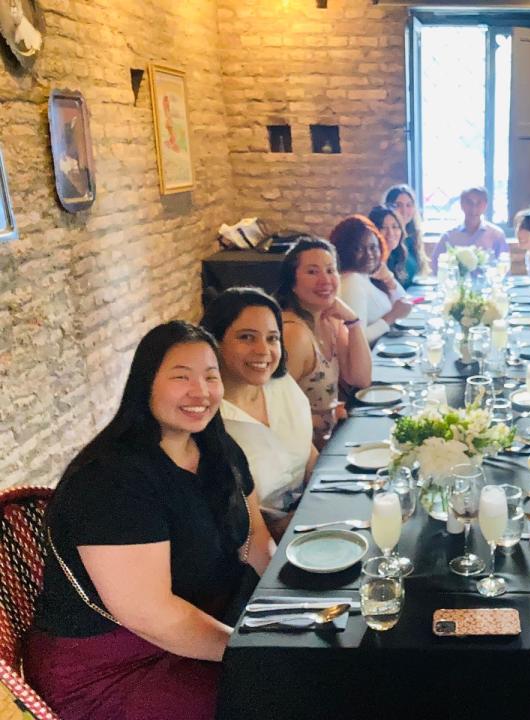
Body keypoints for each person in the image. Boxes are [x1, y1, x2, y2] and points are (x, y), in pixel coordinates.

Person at [24, 321, 273, 720]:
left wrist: (294, 609)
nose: (201, 392)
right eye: (181, 377)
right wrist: (257, 650)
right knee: (278, 693)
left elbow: (257, 543)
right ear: (145, 384)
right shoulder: (110, 481)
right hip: (112, 669)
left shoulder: (217, 448)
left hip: (204, 629)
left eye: (211, 377)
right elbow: (152, 615)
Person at [200, 287, 319, 541]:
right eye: (246, 337)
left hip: (308, 516)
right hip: (258, 544)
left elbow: (306, 449)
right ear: (215, 341)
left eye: (272, 338)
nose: (263, 351)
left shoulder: (281, 384)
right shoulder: (205, 417)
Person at [275, 236, 372, 447]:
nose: (325, 280)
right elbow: (277, 410)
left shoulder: (331, 321)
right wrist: (320, 420)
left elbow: (361, 378)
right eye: (312, 272)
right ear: (292, 283)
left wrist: (353, 322)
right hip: (303, 451)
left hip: (328, 441)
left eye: (330, 270)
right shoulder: (294, 334)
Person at [329, 215, 412, 344]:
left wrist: (389, 279)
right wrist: (391, 317)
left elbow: (405, 303)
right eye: (359, 249)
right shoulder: (352, 281)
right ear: (344, 251)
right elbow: (356, 339)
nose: (369, 254)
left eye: (373, 247)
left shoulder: (367, 276)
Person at [430, 186, 508, 271]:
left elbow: (504, 266)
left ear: (485, 205)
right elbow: (435, 266)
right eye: (469, 202)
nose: (474, 208)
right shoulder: (449, 236)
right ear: (461, 205)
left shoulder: (496, 235)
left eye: (478, 203)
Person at [383, 184, 430, 281]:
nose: (404, 210)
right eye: (398, 205)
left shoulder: (412, 236)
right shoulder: (389, 238)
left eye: (409, 205)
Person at [370, 204, 419, 289]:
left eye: (395, 227)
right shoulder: (371, 263)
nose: (390, 233)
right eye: (383, 227)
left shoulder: (396, 255)